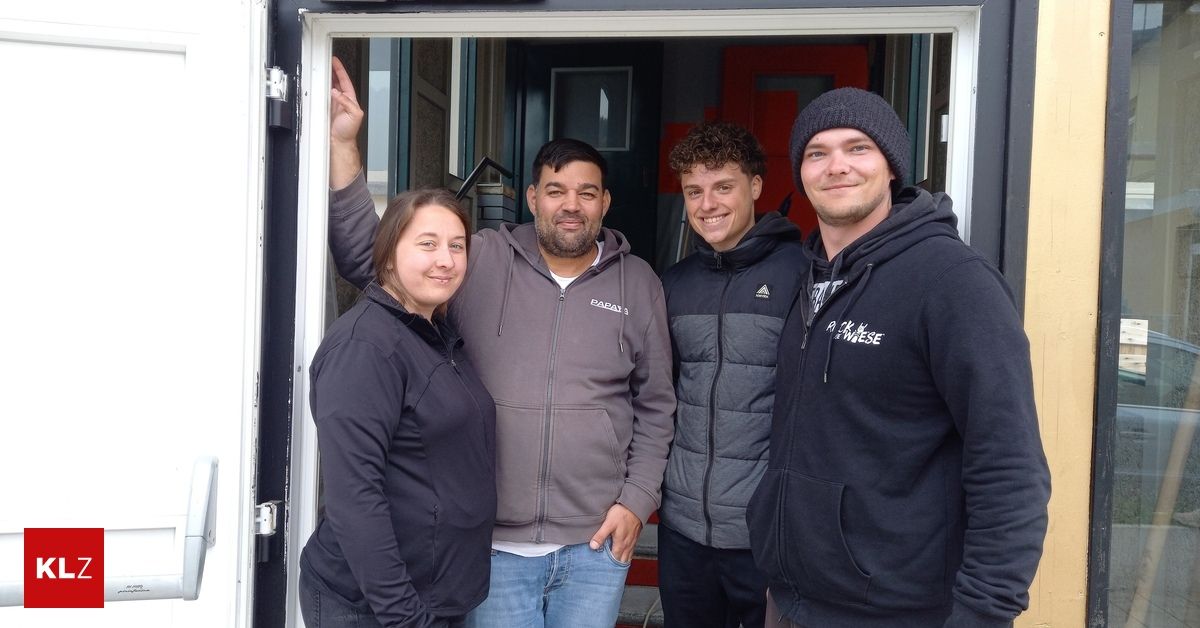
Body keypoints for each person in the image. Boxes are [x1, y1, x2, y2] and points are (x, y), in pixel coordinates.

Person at [326, 57, 675, 628]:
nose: (571, 205)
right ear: (532, 197)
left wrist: (637, 500)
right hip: (487, 545)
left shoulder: (639, 283)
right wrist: (344, 151)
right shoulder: (480, 258)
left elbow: (657, 404)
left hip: (596, 541)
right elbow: (374, 264)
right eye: (556, 190)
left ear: (605, 204)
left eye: (587, 193)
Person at [746, 87, 1051, 627]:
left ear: (891, 168)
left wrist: (984, 612)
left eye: (857, 148)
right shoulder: (808, 276)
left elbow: (1009, 466)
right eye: (817, 153)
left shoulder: (953, 282)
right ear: (800, 173)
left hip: (895, 609)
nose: (836, 166)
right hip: (794, 598)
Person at [299, 187, 497, 628]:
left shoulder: (430, 330)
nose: (445, 259)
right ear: (388, 255)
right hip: (376, 608)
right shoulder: (365, 348)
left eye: (457, 245)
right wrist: (404, 617)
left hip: (436, 593)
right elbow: (355, 498)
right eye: (427, 243)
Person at [656, 122, 804, 628]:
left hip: (763, 534)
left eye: (723, 187)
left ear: (756, 187)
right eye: (694, 191)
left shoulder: (803, 275)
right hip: (682, 532)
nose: (707, 204)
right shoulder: (671, 284)